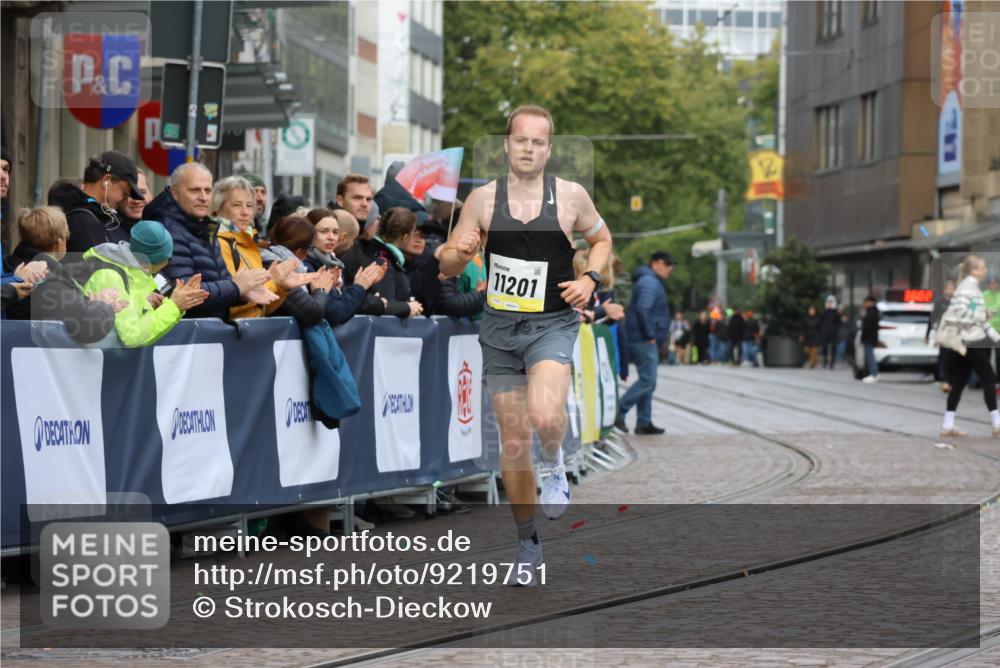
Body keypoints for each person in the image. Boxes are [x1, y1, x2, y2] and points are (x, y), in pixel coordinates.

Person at [438, 105, 613, 586]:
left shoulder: (572, 196)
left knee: (542, 417)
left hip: (552, 323)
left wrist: (591, 279)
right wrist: (462, 252)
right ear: (506, 146)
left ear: (549, 149)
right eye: (521, 140)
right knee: (513, 442)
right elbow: (448, 265)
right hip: (499, 327)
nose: (529, 149)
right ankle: (526, 542)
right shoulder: (481, 200)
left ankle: (554, 462)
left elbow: (602, 240)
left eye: (538, 142)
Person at [145, 162, 271, 320]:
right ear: (175, 193)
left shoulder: (206, 228)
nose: (203, 197)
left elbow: (219, 285)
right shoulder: (167, 230)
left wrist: (242, 295)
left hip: (210, 334)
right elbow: (185, 293)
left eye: (207, 190)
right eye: (195, 190)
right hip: (187, 337)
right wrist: (236, 287)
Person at [82, 220, 208, 346]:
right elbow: (131, 336)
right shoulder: (109, 276)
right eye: (169, 258)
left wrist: (145, 304)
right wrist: (173, 306)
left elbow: (139, 327)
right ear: (160, 259)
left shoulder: (129, 272)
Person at [5, 206, 122, 341]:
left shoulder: (14, 266)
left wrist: (89, 304)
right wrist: (103, 304)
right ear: (59, 243)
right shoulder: (46, 277)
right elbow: (87, 327)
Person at [212, 176, 303, 320]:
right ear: (217, 208)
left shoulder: (249, 243)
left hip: (251, 332)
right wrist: (273, 281)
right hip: (233, 336)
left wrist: (281, 287)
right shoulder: (218, 243)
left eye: (249, 206)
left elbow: (261, 308)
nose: (245, 212)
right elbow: (230, 304)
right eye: (237, 205)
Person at [936, 256, 1000, 436]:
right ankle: (997, 422)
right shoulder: (968, 288)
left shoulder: (968, 287)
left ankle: (947, 425)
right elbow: (964, 313)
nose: (985, 270)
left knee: (959, 381)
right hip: (971, 340)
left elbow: (973, 314)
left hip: (964, 341)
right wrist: (982, 315)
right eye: (983, 267)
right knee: (989, 377)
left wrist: (993, 333)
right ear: (974, 270)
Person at [616, 251, 672, 434]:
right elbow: (643, 308)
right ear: (655, 263)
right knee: (648, 380)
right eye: (667, 263)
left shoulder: (648, 281)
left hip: (640, 336)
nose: (670, 268)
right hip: (643, 338)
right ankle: (618, 411)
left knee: (646, 379)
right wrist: (650, 335)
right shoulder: (650, 282)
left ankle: (643, 422)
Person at [304, 207, 387, 325]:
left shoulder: (332, 264)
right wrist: (360, 286)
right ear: (310, 233)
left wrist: (363, 284)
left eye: (335, 232)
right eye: (324, 231)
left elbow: (341, 301)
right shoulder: (306, 267)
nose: (331, 237)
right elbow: (335, 313)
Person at [48, 151, 143, 252]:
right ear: (107, 181)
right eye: (124, 193)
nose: (125, 200)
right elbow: (93, 266)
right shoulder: (85, 222)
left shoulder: (74, 209)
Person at [929, 279, 957, 393]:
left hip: (956, 333)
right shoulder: (940, 302)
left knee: (954, 358)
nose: (950, 291)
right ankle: (945, 380)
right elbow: (933, 318)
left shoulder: (958, 302)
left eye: (952, 288)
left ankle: (952, 380)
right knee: (944, 357)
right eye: (948, 288)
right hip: (943, 333)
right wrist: (928, 332)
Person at [860, 295, 881, 382]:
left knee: (870, 357)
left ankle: (874, 374)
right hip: (871, 337)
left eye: (866, 302)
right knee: (869, 356)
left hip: (869, 338)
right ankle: (873, 374)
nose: (865, 304)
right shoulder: (874, 311)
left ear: (870, 302)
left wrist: (863, 335)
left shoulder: (871, 312)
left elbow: (867, 326)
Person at [818, 295, 840, 369]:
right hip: (825, 332)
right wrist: (823, 330)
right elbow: (820, 322)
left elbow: (838, 323)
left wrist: (835, 330)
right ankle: (825, 360)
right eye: (829, 302)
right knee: (825, 347)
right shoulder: (824, 312)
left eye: (831, 302)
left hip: (833, 333)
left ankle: (832, 362)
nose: (830, 304)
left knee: (833, 347)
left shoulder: (836, 312)